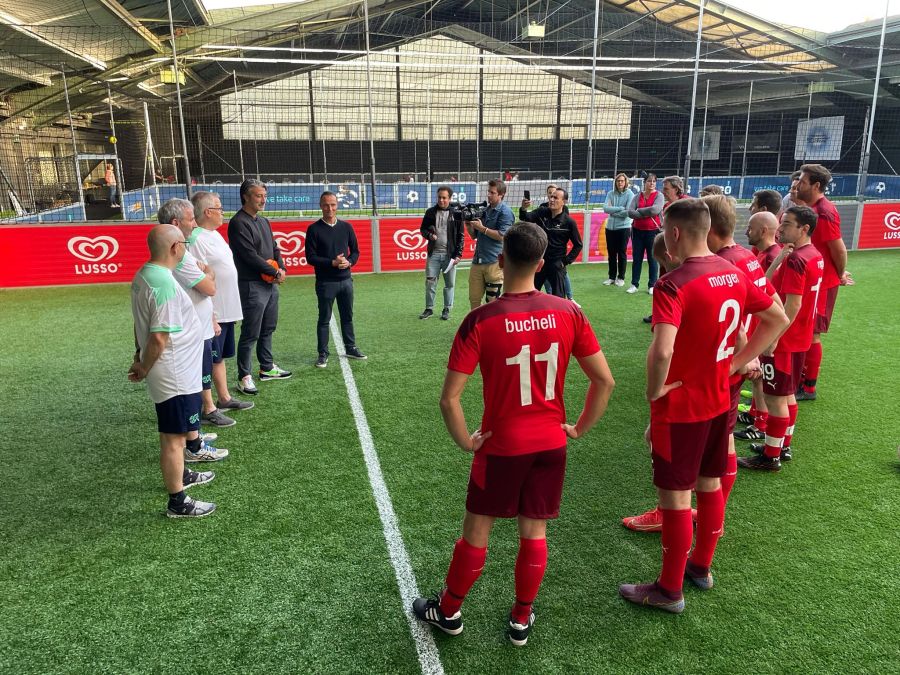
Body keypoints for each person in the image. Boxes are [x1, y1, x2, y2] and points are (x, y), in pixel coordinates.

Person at [412, 221, 615, 645]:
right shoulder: (570, 312)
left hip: (501, 446)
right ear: (541, 263)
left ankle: (448, 611)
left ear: (501, 262)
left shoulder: (480, 320)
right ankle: (521, 619)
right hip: (550, 444)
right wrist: (578, 428)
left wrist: (467, 440)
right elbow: (605, 382)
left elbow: (449, 399)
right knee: (534, 532)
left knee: (476, 531)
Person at [619, 199, 786, 613]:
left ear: (673, 234)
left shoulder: (673, 284)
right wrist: (738, 361)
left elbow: (662, 351)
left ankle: (669, 590)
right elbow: (778, 318)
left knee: (676, 498)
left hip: (682, 407)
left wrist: (654, 391)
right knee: (710, 485)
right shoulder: (734, 271)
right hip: (719, 401)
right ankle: (701, 567)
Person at [128, 224, 217, 518]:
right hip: (175, 374)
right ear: (175, 247)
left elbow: (140, 324)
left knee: (175, 435)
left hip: (174, 372)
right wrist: (143, 365)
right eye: (184, 244)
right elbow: (158, 336)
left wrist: (140, 356)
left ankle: (182, 476)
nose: (186, 249)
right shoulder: (162, 283)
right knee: (174, 438)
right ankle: (178, 501)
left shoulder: (145, 275)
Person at [738, 206, 823, 471]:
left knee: (776, 399)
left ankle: (770, 456)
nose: (781, 228)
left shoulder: (798, 259)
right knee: (786, 396)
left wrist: (774, 336)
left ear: (804, 229)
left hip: (786, 340)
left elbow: (793, 305)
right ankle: (782, 445)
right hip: (801, 338)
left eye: (786, 224)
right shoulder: (813, 255)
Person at [189, 191, 255, 414]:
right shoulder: (196, 239)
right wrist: (212, 315)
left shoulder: (214, 234)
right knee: (209, 359)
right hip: (214, 313)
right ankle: (207, 407)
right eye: (219, 208)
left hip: (226, 312)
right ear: (208, 212)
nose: (222, 212)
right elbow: (199, 278)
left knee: (219, 359)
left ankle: (224, 398)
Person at [228, 179, 291, 395]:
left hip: (270, 285)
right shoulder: (238, 223)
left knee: (268, 327)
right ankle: (244, 376)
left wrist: (280, 268)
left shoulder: (263, 222)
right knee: (250, 332)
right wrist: (275, 272)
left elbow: (274, 248)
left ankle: (267, 368)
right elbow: (249, 256)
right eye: (258, 196)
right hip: (251, 285)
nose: (263, 200)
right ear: (246, 196)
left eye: (264, 196)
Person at [794, 164, 849, 401]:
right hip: (811, 279)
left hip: (821, 283)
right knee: (804, 330)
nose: (798, 185)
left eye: (803, 182)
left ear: (817, 186)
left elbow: (838, 248)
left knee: (813, 333)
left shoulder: (824, 212)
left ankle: (809, 387)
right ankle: (799, 379)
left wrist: (840, 274)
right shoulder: (811, 208)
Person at [306, 191, 367, 368]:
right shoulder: (313, 229)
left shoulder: (347, 227)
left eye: (332, 204)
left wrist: (349, 262)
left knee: (347, 316)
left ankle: (350, 347)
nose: (329, 208)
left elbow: (355, 251)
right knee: (324, 318)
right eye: (326, 205)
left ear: (337, 205)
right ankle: (323, 353)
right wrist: (332, 262)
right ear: (320, 206)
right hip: (325, 283)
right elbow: (310, 257)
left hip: (346, 281)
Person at [738, 211, 784, 438]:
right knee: (757, 377)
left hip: (760, 324)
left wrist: (773, 336)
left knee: (760, 377)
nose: (747, 231)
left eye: (751, 227)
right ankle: (756, 416)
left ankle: (760, 425)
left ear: (764, 230)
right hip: (759, 323)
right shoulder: (768, 254)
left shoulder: (771, 255)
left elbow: (770, 294)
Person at [519, 188, 582, 298]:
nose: (551, 200)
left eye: (555, 198)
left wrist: (564, 262)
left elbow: (578, 245)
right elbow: (525, 217)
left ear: (564, 201)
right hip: (539, 261)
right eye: (551, 197)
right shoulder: (542, 212)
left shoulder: (569, 222)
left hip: (556, 264)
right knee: (528, 294)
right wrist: (524, 208)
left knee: (559, 298)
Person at [466, 179, 514, 309]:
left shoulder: (506, 212)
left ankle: (492, 328)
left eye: (492, 192)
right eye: (488, 191)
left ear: (501, 194)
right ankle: (477, 328)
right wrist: (468, 225)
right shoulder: (484, 210)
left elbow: (502, 236)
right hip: (477, 262)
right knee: (474, 299)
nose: (488, 195)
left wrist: (482, 228)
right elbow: (474, 235)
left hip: (495, 262)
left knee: (492, 302)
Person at [419, 186, 464, 320]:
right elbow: (423, 229)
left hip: (449, 256)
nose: (441, 200)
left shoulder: (457, 213)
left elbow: (461, 236)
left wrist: (458, 255)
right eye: (439, 197)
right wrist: (429, 235)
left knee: (449, 284)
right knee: (430, 282)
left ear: (449, 198)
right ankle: (429, 308)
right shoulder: (430, 212)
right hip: (433, 254)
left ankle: (447, 309)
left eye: (444, 197)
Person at [626, 173, 664, 295]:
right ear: (644, 182)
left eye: (654, 181)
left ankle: (652, 285)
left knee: (652, 259)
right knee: (637, 259)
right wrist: (647, 212)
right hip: (637, 232)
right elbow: (630, 212)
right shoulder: (637, 196)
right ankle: (634, 284)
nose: (651, 183)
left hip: (653, 232)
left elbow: (656, 210)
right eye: (649, 181)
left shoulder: (659, 195)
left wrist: (640, 211)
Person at [603, 173, 633, 287]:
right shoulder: (610, 193)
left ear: (625, 182)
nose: (620, 183)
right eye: (618, 181)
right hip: (610, 228)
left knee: (621, 253)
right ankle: (611, 277)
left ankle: (621, 278)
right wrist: (620, 208)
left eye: (622, 181)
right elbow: (605, 208)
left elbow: (628, 212)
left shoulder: (630, 194)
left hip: (623, 228)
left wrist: (613, 212)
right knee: (611, 253)